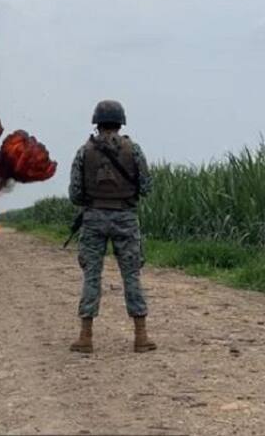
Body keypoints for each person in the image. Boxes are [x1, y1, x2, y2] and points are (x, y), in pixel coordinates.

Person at [67, 99, 155, 353]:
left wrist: (94, 203)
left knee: (91, 276)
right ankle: (141, 337)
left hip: (93, 219)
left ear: (97, 123)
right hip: (125, 218)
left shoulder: (84, 152)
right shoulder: (134, 150)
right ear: (120, 122)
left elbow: (75, 193)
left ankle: (85, 337)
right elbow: (146, 187)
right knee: (131, 275)